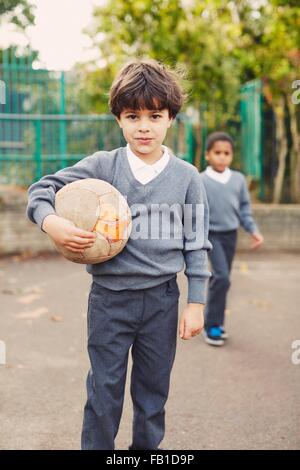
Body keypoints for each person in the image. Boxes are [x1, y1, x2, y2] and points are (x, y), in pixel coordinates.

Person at [26, 59, 212, 450]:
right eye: (133, 115)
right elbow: (41, 190)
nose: (144, 125)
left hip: (161, 300)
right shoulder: (102, 166)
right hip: (109, 301)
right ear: (119, 119)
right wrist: (52, 224)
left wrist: (196, 302)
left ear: (170, 119)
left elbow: (196, 242)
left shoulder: (187, 177)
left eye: (154, 115)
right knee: (104, 391)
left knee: (152, 394)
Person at [200, 131, 264, 347]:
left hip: (230, 236)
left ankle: (215, 320)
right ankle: (212, 326)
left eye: (226, 153)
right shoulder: (200, 180)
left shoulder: (237, 180)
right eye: (217, 152)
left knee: (221, 280)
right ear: (208, 155)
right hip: (210, 236)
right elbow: (193, 211)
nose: (222, 157)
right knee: (222, 277)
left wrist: (253, 230)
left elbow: (244, 209)